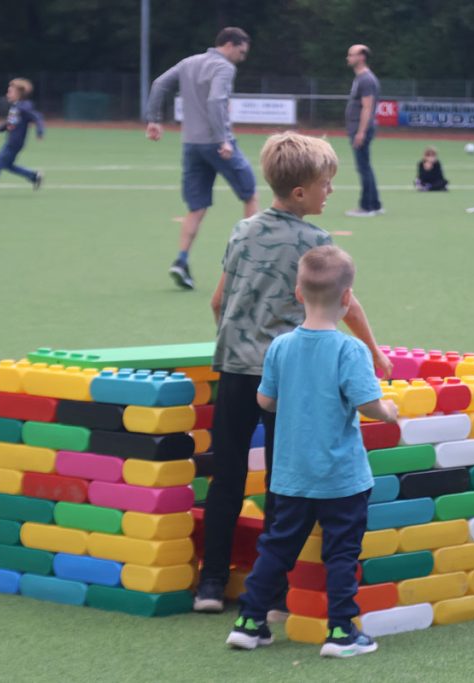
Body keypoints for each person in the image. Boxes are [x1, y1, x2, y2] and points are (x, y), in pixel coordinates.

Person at [196, 132, 394, 616]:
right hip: (284, 377)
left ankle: (211, 583)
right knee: (282, 482)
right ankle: (272, 593)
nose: (330, 192)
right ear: (302, 192)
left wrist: (237, 342)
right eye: (326, 184)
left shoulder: (243, 230)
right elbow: (344, 303)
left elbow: (218, 300)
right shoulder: (314, 242)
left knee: (227, 476)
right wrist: (373, 349)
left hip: (233, 369)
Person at [225, 245, 398, 658]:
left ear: (298, 294)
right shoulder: (349, 350)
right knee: (341, 553)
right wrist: (388, 411)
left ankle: (249, 622)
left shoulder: (281, 347)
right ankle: (341, 632)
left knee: (277, 548)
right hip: (342, 478)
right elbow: (367, 403)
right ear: (347, 298)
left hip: (291, 475)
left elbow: (265, 402)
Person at [145, 27, 258, 290]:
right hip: (217, 143)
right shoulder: (224, 68)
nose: (242, 57)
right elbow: (216, 100)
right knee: (250, 193)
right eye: (241, 51)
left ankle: (181, 260)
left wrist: (153, 119)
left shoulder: (189, 62)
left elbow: (159, 83)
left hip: (191, 144)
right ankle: (251, 260)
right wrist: (223, 139)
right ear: (230, 44)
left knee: (196, 207)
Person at [0, 78, 44, 196]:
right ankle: (33, 176)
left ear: (19, 94)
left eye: (10, 92)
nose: (7, 94)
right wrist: (1, 128)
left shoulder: (24, 107)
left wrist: (40, 132)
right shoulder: (15, 107)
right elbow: (11, 122)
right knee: (7, 165)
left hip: (14, 143)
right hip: (12, 141)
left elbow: (37, 117)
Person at [343, 44, 382, 217]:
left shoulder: (366, 79)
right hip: (358, 128)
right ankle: (375, 204)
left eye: (351, 55)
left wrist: (361, 132)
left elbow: (367, 107)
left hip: (360, 129)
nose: (348, 58)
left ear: (361, 57)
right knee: (366, 167)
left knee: (363, 168)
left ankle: (366, 207)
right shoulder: (360, 78)